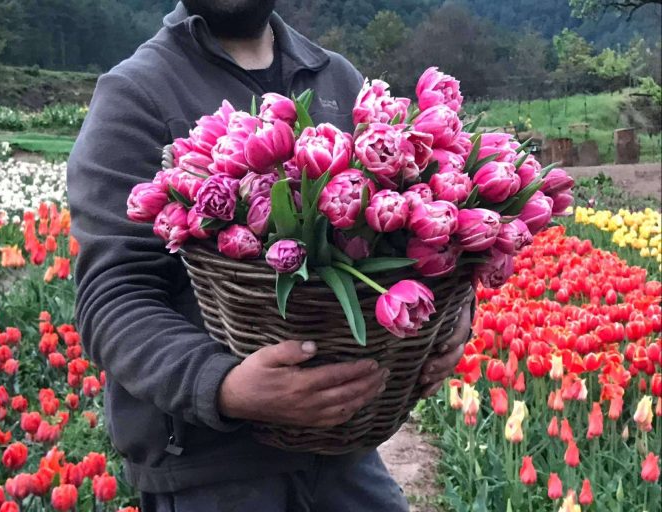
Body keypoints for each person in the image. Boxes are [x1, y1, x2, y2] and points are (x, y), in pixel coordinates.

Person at [67, 1, 473, 511]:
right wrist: (223, 386)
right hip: (212, 470)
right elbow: (113, 295)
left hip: (347, 453)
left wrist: (456, 316)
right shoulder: (137, 92)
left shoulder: (337, 79)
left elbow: (429, 217)